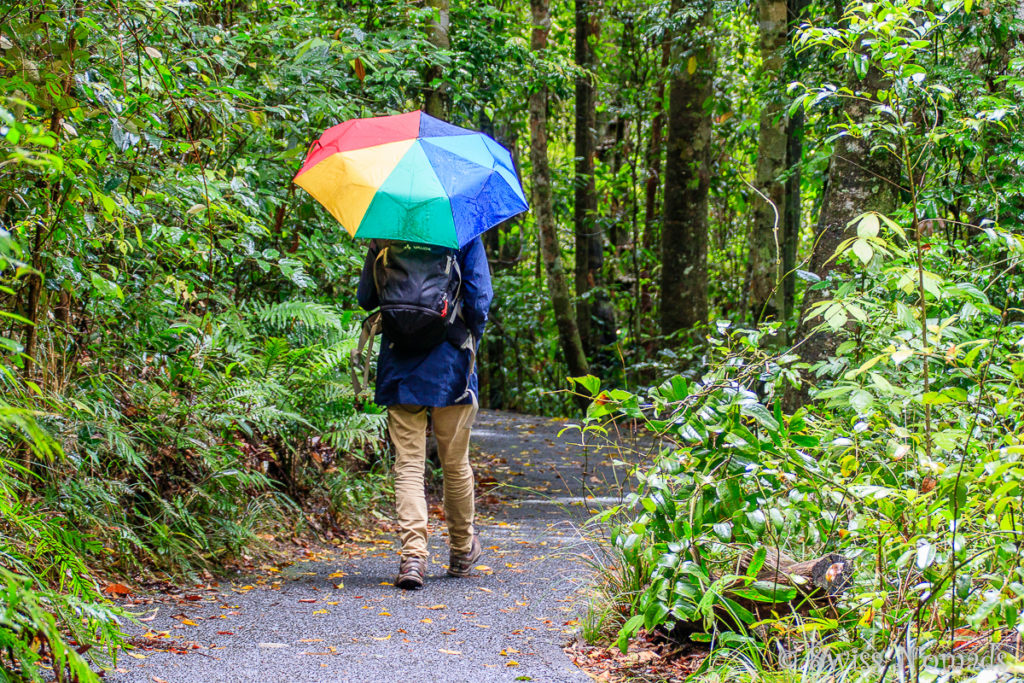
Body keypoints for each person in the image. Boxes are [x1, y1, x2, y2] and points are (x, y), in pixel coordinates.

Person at [357, 236, 492, 590]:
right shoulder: (463, 231)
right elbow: (479, 301)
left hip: (400, 360)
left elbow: (365, 299)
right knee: (455, 462)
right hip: (452, 363)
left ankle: (413, 556)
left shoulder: (386, 231)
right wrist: (464, 334)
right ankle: (462, 549)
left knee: (409, 463)